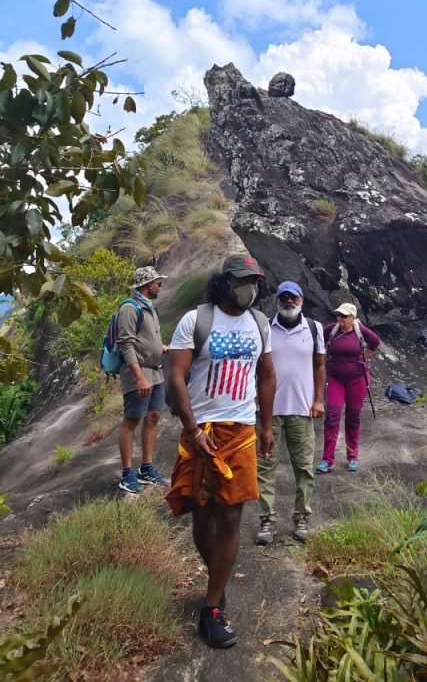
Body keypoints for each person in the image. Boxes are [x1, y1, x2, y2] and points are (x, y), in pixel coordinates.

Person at [165, 253, 276, 649]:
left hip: (241, 431)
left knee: (231, 516)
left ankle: (211, 609)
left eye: (257, 281)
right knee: (202, 514)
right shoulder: (196, 321)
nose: (252, 287)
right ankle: (217, 577)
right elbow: (176, 376)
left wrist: (266, 425)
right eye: (245, 279)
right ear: (226, 281)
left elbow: (266, 374)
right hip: (202, 431)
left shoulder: (259, 324)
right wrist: (191, 428)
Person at [255, 281, 325, 545]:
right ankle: (267, 521)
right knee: (265, 468)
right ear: (277, 301)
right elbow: (255, 365)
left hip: (302, 409)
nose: (288, 302)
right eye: (283, 298)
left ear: (301, 300)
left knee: (304, 467)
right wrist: (254, 395)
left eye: (293, 298)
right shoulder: (264, 329)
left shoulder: (315, 329)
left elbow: (319, 366)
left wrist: (318, 400)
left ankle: (302, 518)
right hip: (268, 411)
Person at [115, 266, 170, 494]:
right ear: (149, 285)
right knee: (131, 420)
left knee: (154, 417)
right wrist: (139, 378)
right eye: (158, 282)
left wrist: (161, 348)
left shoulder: (148, 307)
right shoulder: (130, 308)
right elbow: (126, 344)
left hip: (155, 371)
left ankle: (146, 468)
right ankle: (127, 474)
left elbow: (147, 339)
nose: (160, 286)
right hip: (140, 374)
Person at [316, 302, 381, 474]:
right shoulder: (332, 329)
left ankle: (352, 457)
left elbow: (375, 342)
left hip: (356, 380)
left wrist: (363, 356)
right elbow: (317, 342)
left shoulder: (360, 330)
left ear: (353, 318)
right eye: (338, 315)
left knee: (353, 418)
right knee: (332, 416)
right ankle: (327, 460)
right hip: (335, 379)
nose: (339, 319)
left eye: (343, 316)